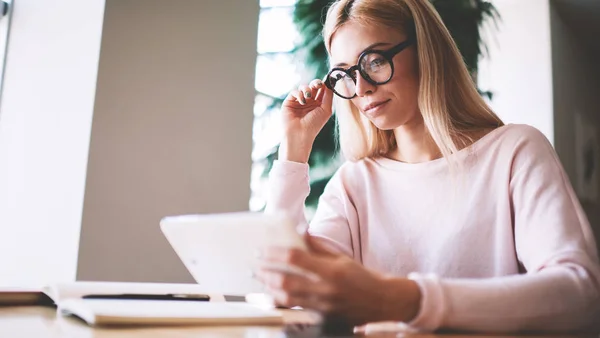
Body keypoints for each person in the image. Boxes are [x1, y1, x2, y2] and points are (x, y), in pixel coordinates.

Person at [253, 0, 600, 334]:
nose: (361, 88)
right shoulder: (354, 183)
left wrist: (407, 300)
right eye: (345, 74)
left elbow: (579, 292)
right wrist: (294, 149)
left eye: (373, 61)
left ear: (425, 51)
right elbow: (291, 294)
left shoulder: (514, 152)